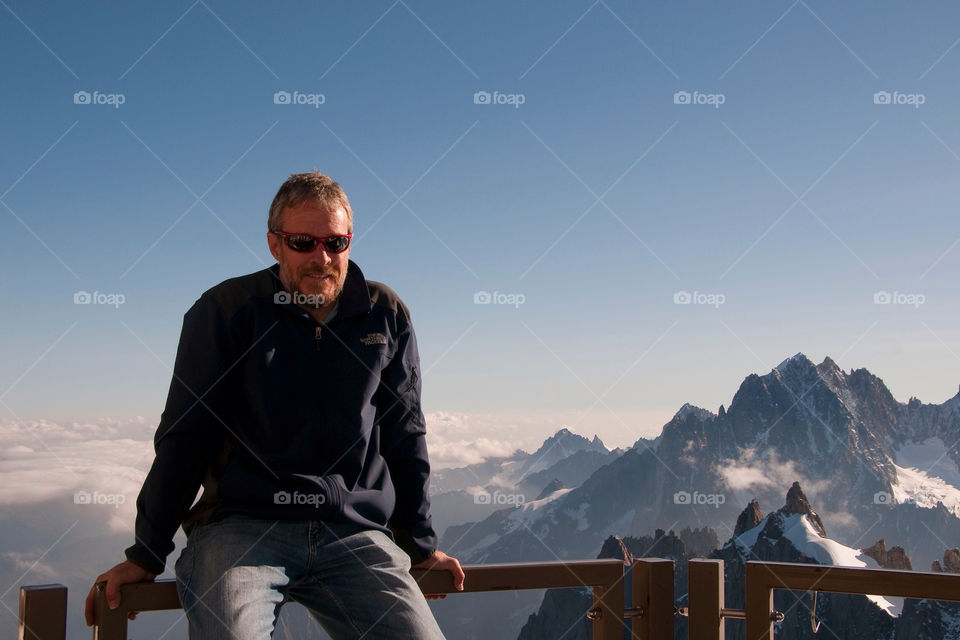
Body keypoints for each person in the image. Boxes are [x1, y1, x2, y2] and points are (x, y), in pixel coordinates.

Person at [85, 172, 464, 639]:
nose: (321, 257)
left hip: (354, 533)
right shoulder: (227, 310)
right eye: (303, 242)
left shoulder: (384, 313)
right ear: (274, 244)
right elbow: (187, 435)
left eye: (336, 242)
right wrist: (145, 554)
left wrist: (421, 545)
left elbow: (404, 433)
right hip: (242, 531)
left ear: (350, 241)